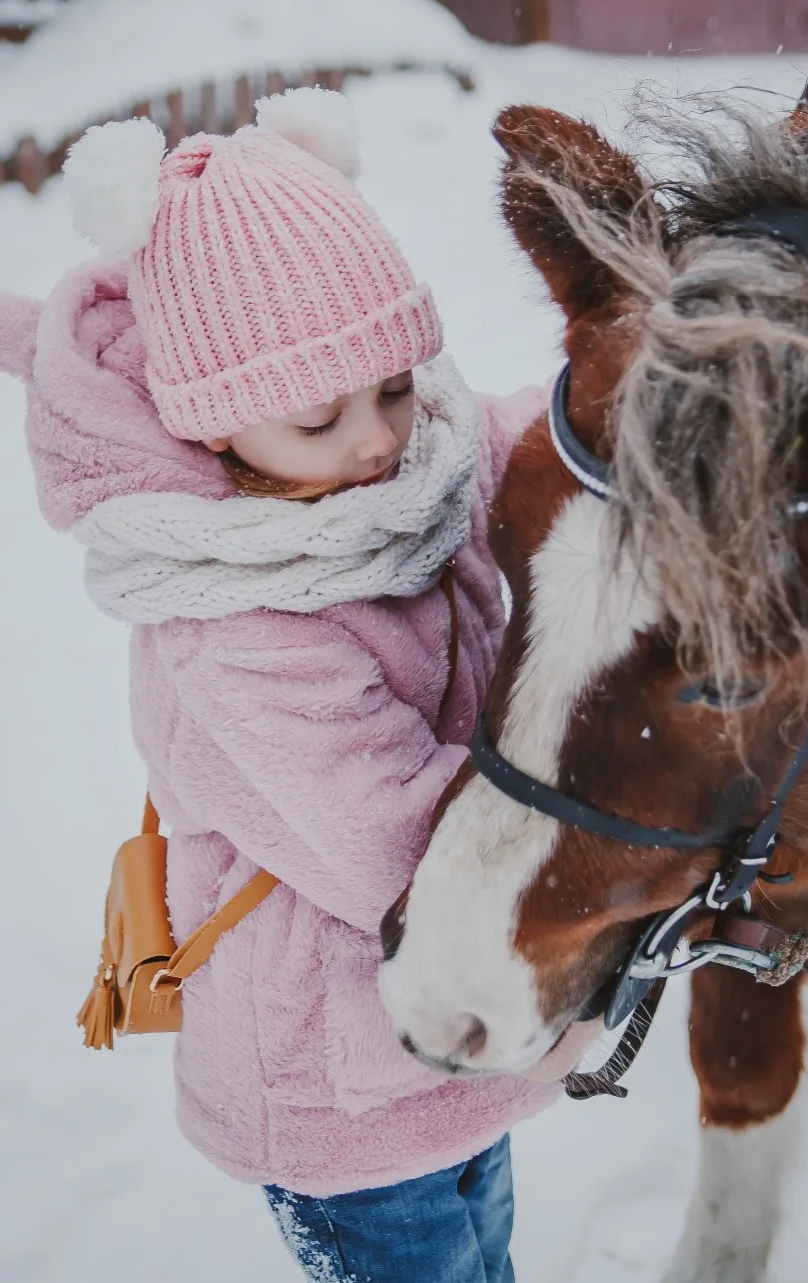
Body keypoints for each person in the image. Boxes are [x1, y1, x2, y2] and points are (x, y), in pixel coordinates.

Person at [0, 88, 562, 1283]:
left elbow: (518, 452)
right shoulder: (238, 637)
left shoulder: (404, 467)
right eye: (320, 416)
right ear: (211, 428)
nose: (377, 441)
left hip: (453, 1039)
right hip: (340, 1093)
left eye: (397, 388)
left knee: (490, 1257)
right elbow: (399, 843)